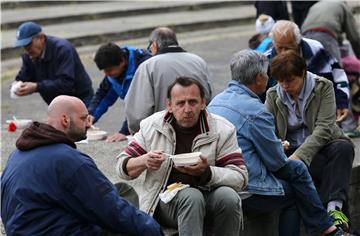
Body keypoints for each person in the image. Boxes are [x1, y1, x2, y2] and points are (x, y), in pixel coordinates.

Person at [208, 49, 347, 236]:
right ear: (259, 78)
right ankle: (327, 229)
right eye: (269, 76)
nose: (281, 84)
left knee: (337, 150)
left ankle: (328, 225)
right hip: (247, 186)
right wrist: (278, 147)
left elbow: (324, 127)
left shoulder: (215, 101)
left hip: (216, 180)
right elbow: (276, 162)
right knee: (296, 187)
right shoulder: (257, 108)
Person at [1, 95, 163, 236]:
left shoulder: (18, 153)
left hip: (23, 229)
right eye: (83, 118)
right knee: (124, 219)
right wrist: (153, 230)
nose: (88, 124)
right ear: (65, 120)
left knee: (121, 190)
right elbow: (111, 209)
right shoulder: (68, 160)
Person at [117, 77, 248, 236]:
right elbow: (122, 167)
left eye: (193, 102)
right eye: (180, 103)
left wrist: (207, 173)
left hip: (208, 196)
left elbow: (240, 177)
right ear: (169, 105)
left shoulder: (222, 129)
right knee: (191, 197)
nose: (187, 109)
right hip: (166, 202)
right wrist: (144, 161)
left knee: (229, 197)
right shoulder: (152, 126)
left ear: (203, 103)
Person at [265, 50, 354, 232]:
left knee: (344, 148)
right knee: (323, 171)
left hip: (320, 146)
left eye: (290, 80)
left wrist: (300, 156)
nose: (285, 86)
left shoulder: (323, 87)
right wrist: (277, 143)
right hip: (292, 151)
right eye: (280, 81)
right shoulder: (273, 95)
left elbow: (324, 128)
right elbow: (267, 128)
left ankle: (334, 208)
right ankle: (331, 224)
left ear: (303, 74)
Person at [125, 27, 212, 133]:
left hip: (161, 132)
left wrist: (136, 129)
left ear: (154, 45)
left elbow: (138, 112)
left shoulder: (148, 66)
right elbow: (207, 97)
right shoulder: (198, 61)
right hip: (197, 129)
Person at [266, 20, 350, 124]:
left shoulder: (316, 50)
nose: (283, 52)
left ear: (297, 42)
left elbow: (338, 76)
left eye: (288, 47)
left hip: (321, 115)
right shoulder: (267, 60)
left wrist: (342, 102)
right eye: (279, 48)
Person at [12, 21, 94, 106]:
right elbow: (24, 77)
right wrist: (17, 86)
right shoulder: (29, 55)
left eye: (28, 44)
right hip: (57, 103)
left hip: (80, 98)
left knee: (82, 119)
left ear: (41, 38)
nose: (27, 50)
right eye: (24, 46)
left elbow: (66, 83)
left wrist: (37, 87)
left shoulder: (63, 49)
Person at [88, 42, 151, 142]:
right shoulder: (113, 70)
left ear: (122, 61)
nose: (106, 74)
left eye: (109, 70)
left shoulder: (144, 65)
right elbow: (103, 95)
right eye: (104, 71)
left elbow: (140, 104)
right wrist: (91, 115)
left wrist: (124, 131)